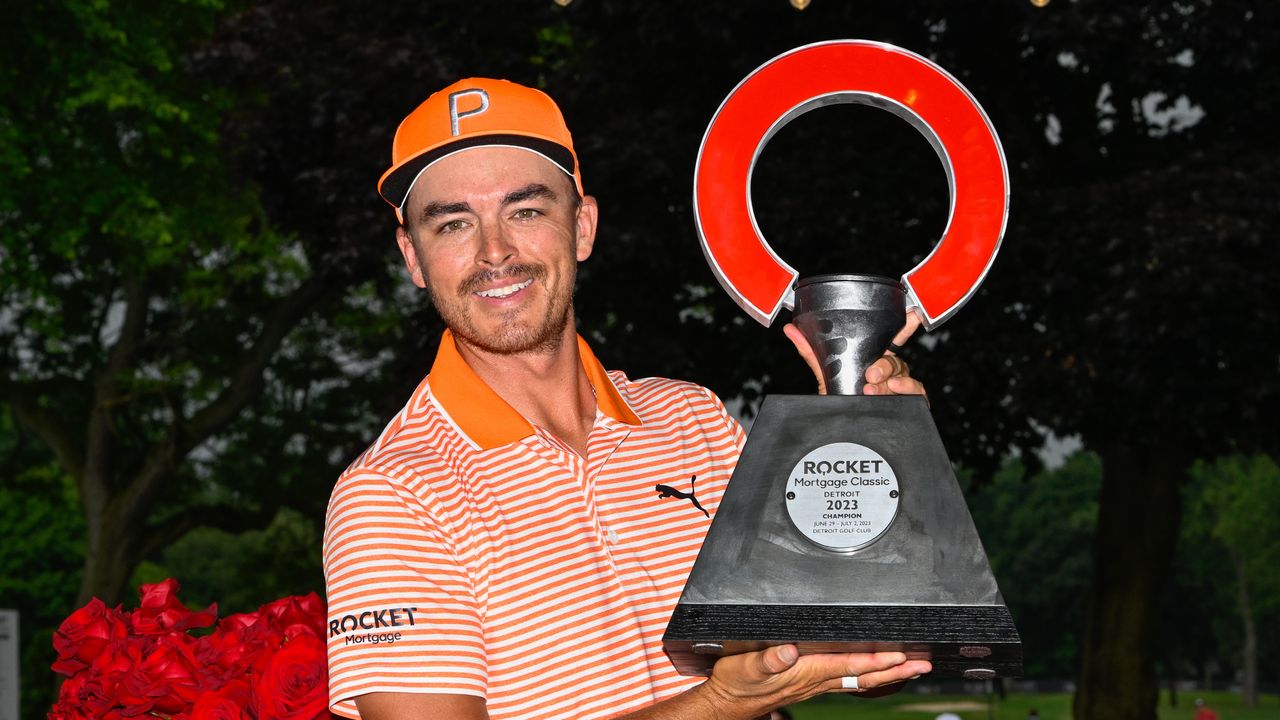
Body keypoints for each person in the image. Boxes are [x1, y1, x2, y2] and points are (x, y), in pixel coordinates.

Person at [323, 77, 932, 720]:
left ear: (582, 227)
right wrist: (721, 703)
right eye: (451, 224)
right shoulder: (391, 494)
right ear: (413, 257)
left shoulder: (695, 419)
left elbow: (870, 651)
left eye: (525, 211)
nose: (494, 251)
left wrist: (869, 445)